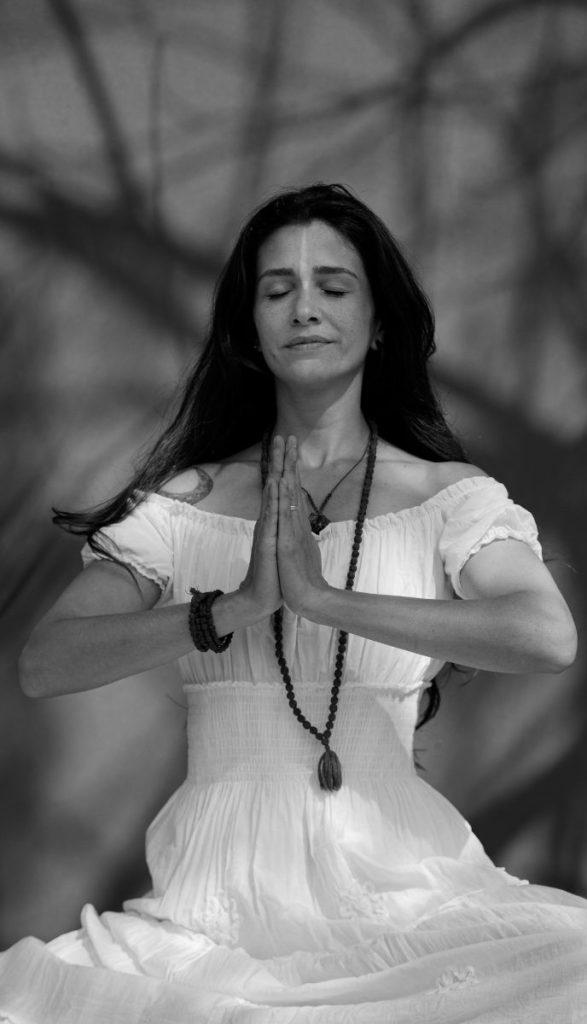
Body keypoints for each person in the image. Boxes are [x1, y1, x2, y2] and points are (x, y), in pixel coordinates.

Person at [1, 183, 585, 1022]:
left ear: (377, 322)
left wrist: (322, 599)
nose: (304, 308)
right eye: (277, 290)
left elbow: (544, 636)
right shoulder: (185, 502)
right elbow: (45, 663)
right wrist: (232, 608)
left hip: (407, 885)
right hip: (210, 904)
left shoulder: (445, 495)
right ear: (249, 329)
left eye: (333, 287)